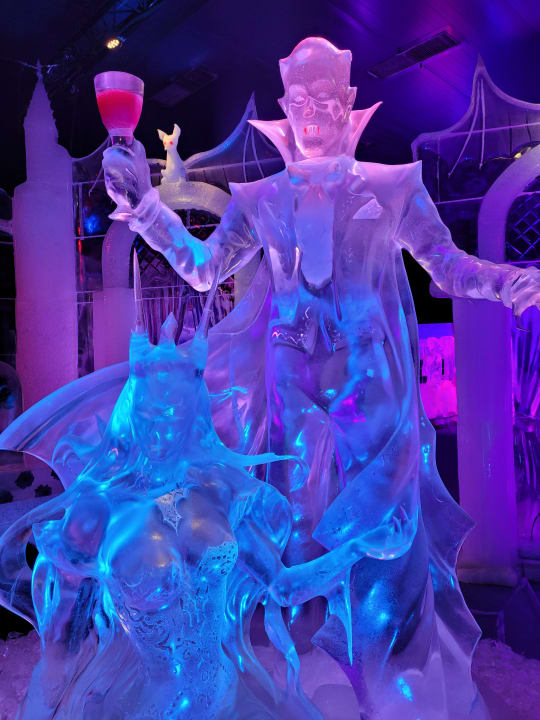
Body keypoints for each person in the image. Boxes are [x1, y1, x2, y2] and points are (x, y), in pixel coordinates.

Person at [101, 37, 540, 718]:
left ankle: (393, 677)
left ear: (348, 103)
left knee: (384, 534)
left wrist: (506, 280)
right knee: (298, 533)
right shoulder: (260, 197)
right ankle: (308, 674)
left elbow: (446, 266)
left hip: (371, 383)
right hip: (293, 386)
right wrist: (147, 210)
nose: (311, 110)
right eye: (300, 98)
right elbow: (202, 269)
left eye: (325, 97)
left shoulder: (392, 187)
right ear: (285, 106)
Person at [0, 271, 375, 719]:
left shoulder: (219, 491)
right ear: (132, 411)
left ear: (192, 415)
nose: (161, 431)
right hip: (150, 707)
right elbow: (59, 650)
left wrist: (360, 549)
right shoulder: (95, 512)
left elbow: (284, 585)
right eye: (150, 415)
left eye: (173, 417)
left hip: (228, 693)